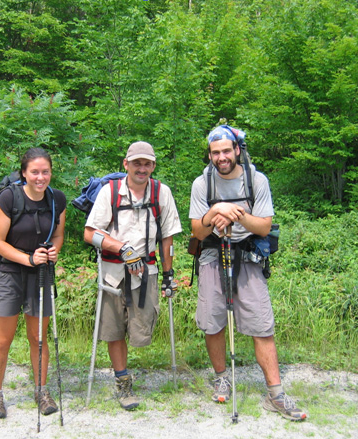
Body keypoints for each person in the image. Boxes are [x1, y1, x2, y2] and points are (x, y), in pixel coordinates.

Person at [189, 125, 307, 421]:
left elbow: (264, 226)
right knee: (213, 319)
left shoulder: (257, 180)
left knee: (260, 321)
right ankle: (220, 377)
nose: (221, 157)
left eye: (226, 151)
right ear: (210, 155)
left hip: (249, 253)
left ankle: (276, 394)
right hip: (213, 252)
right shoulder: (202, 183)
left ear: (237, 150)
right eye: (215, 153)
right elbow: (197, 230)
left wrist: (235, 212)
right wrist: (216, 212)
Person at [83, 141, 182, 410]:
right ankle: (122, 381)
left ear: (153, 166)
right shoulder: (109, 192)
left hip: (146, 272)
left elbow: (168, 237)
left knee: (141, 331)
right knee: (113, 330)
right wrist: (123, 249)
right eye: (136, 162)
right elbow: (90, 233)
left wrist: (168, 273)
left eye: (147, 163)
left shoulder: (162, 193)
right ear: (125, 164)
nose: (142, 168)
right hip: (113, 273)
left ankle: (125, 376)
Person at [0, 147, 66, 419]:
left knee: (38, 338)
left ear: (51, 173)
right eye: (35, 172)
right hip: (8, 272)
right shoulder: (10, 198)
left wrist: (53, 251)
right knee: (3, 338)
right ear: (24, 173)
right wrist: (27, 259)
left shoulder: (57, 200)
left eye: (45, 171)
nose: (40, 177)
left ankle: (41, 391)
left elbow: (57, 235)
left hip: (40, 272)